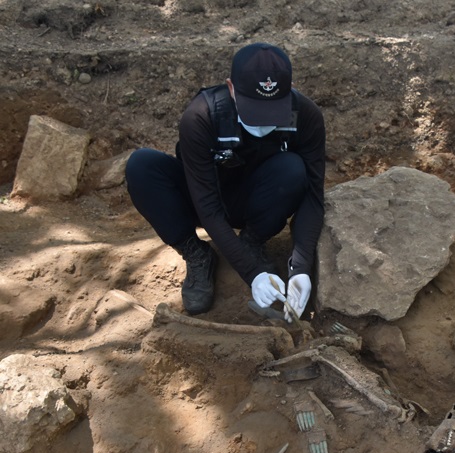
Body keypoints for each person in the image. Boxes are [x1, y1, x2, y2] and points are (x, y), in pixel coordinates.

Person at [125, 42, 325, 321]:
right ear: (231, 88)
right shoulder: (201, 116)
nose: (263, 124)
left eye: (272, 111)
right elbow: (206, 206)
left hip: (259, 201)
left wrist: (300, 267)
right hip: (203, 194)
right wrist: (252, 273)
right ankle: (196, 254)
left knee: (293, 168)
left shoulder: (306, 116)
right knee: (142, 166)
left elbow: (314, 197)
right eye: (254, 110)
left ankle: (253, 241)